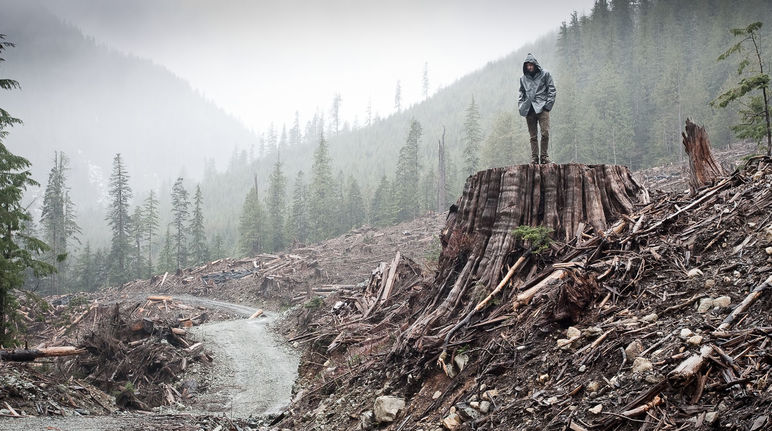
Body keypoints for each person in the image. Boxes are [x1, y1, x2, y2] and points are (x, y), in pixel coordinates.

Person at [518, 53, 556, 164]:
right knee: (533, 136)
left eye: (531, 65)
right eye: (527, 65)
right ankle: (534, 158)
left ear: (535, 64)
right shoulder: (523, 78)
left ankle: (544, 157)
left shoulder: (545, 74)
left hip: (542, 108)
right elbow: (521, 93)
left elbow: (552, 90)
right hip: (529, 109)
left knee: (545, 133)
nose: (529, 67)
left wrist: (547, 106)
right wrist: (521, 106)